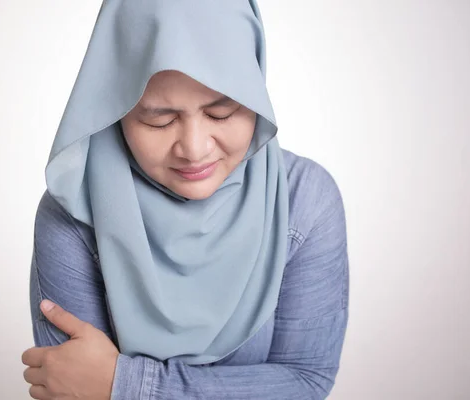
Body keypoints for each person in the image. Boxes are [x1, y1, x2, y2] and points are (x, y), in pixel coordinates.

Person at [21, 1, 349, 399]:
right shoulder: (72, 213)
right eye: (159, 119)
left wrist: (124, 385)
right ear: (115, 106)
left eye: (222, 112)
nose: (194, 149)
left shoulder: (304, 200)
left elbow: (306, 381)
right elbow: (69, 389)